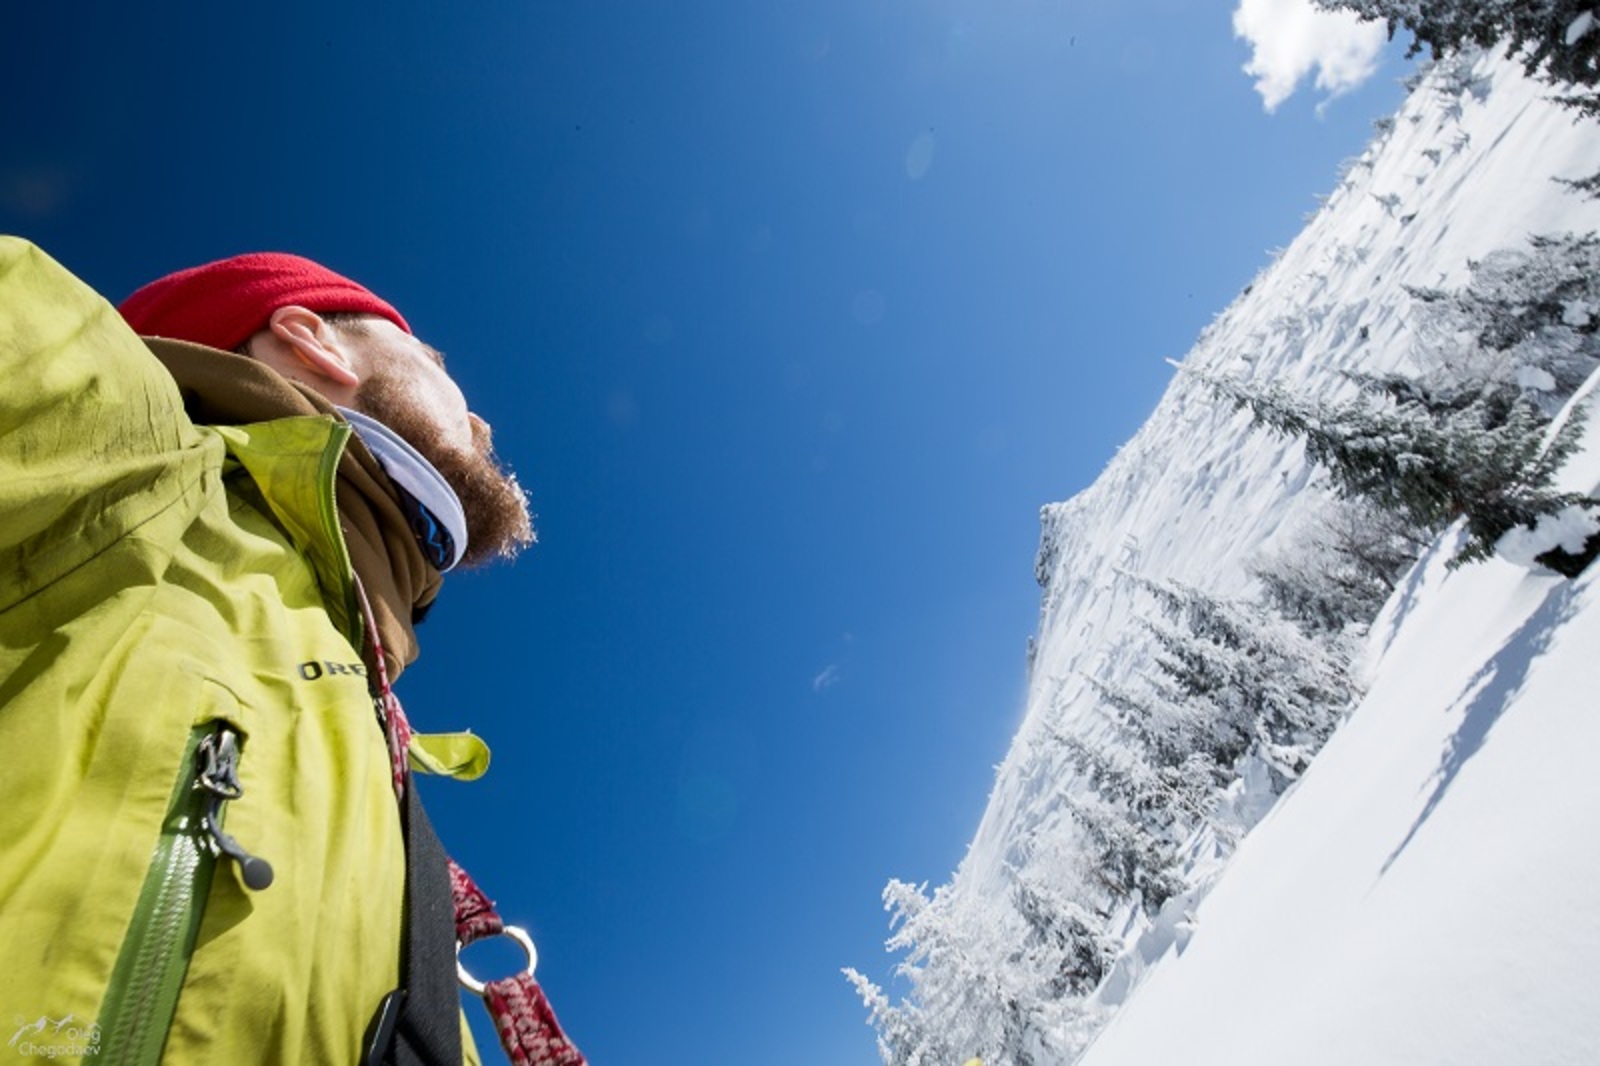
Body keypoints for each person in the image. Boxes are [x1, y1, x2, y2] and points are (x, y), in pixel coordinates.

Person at [0, 238, 578, 1065]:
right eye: (432, 358)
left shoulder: (387, 778)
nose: (480, 417)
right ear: (312, 339)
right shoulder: (110, 461)